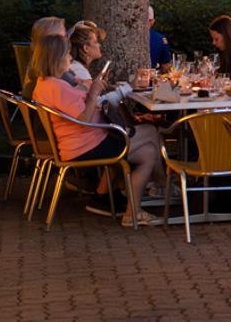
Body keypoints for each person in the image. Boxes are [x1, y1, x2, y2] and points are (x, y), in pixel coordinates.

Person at [30, 33, 163, 225]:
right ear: (55, 58)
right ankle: (161, 187)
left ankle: (133, 212)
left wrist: (90, 89)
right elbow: (83, 116)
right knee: (150, 132)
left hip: (84, 140)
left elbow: (78, 107)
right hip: (86, 145)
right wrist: (93, 93)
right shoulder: (56, 86)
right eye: (67, 54)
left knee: (148, 153)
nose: (70, 58)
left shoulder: (48, 83)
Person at [64, 20, 135, 104]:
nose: (99, 45)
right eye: (96, 42)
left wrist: (103, 86)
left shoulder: (75, 67)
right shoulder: (79, 72)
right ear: (86, 48)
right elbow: (97, 104)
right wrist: (129, 87)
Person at [21, 15, 67, 98]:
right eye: (63, 38)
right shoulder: (54, 71)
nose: (66, 41)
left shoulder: (36, 63)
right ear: (51, 42)